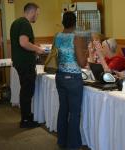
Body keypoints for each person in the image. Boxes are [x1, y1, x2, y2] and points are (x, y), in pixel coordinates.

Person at [55, 11, 88, 149]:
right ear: (75, 23)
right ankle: (73, 145)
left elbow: (55, 57)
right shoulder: (77, 37)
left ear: (63, 23)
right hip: (73, 78)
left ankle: (62, 141)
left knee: (63, 109)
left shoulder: (57, 36)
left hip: (60, 76)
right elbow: (82, 62)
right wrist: (85, 53)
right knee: (74, 113)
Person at [10, 2, 44, 128]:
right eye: (37, 14)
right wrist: (37, 49)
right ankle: (26, 120)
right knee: (27, 92)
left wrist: (34, 47)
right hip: (25, 63)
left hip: (19, 62)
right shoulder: (25, 23)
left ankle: (26, 118)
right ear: (32, 11)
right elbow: (23, 43)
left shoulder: (16, 22)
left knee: (25, 90)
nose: (37, 16)